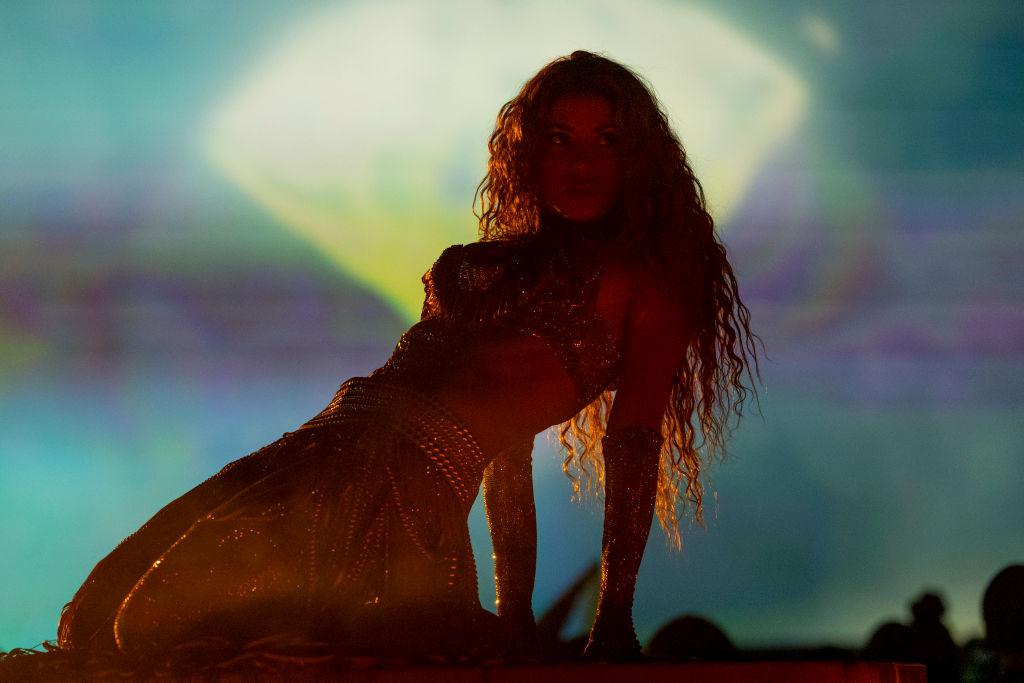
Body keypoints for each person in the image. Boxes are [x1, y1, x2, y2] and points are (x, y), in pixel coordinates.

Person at [54, 50, 758, 663]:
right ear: (528, 155)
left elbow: (633, 445)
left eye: (607, 139)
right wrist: (514, 617)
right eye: (558, 138)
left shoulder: (652, 284)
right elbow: (508, 465)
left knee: (168, 628)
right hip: (312, 451)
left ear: (638, 159)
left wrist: (613, 621)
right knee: (104, 620)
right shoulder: (473, 269)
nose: (581, 162)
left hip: (401, 496)